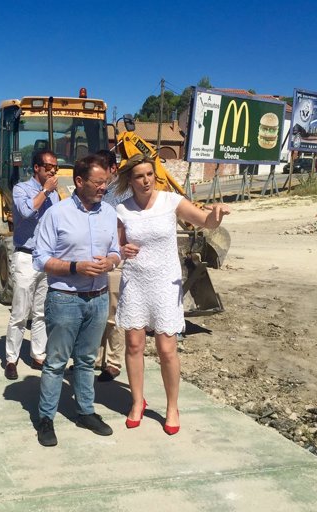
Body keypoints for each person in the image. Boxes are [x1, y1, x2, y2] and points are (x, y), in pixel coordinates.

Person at [114, 154, 230, 434]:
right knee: (133, 345)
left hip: (165, 283)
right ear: (130, 180)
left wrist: (215, 215)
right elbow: (116, 248)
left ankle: (171, 407)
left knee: (167, 349)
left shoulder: (171, 201)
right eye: (140, 176)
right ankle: (137, 402)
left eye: (150, 174)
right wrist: (121, 251)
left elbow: (205, 221)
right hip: (136, 282)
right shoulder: (122, 209)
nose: (146, 180)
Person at [32, 154, 121, 447]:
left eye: (106, 183)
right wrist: (75, 267)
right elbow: (40, 258)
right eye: (98, 183)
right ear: (79, 182)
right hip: (65, 299)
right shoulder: (56, 214)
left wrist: (110, 261)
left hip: (97, 299)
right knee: (56, 362)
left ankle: (85, 411)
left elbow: (117, 251)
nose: (103, 188)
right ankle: (46, 418)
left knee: (85, 361)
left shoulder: (109, 213)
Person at [4, 150, 60, 380]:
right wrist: (46, 191)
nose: (53, 171)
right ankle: (11, 358)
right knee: (20, 311)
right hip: (26, 256)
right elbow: (26, 211)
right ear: (36, 168)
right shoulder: (21, 189)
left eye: (55, 167)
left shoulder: (56, 194)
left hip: (46, 259)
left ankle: (38, 354)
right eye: (49, 167)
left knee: (40, 312)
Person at [95, 149, 130, 382]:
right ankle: (95, 358)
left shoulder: (123, 193)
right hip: (96, 261)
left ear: (112, 169)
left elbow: (124, 227)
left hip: (116, 261)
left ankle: (114, 362)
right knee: (97, 313)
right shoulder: (96, 191)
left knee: (114, 314)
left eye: (101, 170)